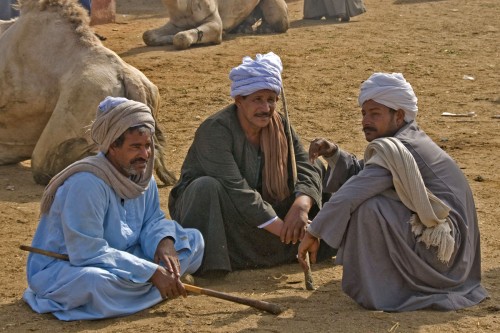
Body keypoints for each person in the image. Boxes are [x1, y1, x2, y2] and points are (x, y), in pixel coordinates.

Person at [298, 73, 488, 311]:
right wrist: (334, 153)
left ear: (398, 115)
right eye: (364, 113)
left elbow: (354, 191)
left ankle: (380, 292)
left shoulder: (401, 147)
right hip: (459, 257)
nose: (366, 120)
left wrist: (313, 232)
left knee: (368, 208)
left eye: (375, 114)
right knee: (370, 199)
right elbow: (367, 175)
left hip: (446, 255)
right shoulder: (406, 139)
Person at [23, 97, 204, 321]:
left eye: (148, 146)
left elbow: (152, 221)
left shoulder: (142, 176)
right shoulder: (86, 184)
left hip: (123, 258)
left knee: (193, 242)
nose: (145, 155)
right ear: (112, 146)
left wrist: (164, 241)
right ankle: (161, 287)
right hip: (69, 268)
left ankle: (156, 287)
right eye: (135, 147)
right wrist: (150, 272)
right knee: (95, 283)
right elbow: (87, 252)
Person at [169, 52, 335, 278]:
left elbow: (306, 164)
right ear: (239, 101)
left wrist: (301, 207)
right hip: (225, 213)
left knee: (322, 172)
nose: (266, 108)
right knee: (206, 187)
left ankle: (300, 240)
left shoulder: (279, 125)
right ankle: (215, 262)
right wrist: (290, 232)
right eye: (257, 99)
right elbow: (237, 189)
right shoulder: (215, 131)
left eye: (271, 100)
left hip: (264, 214)